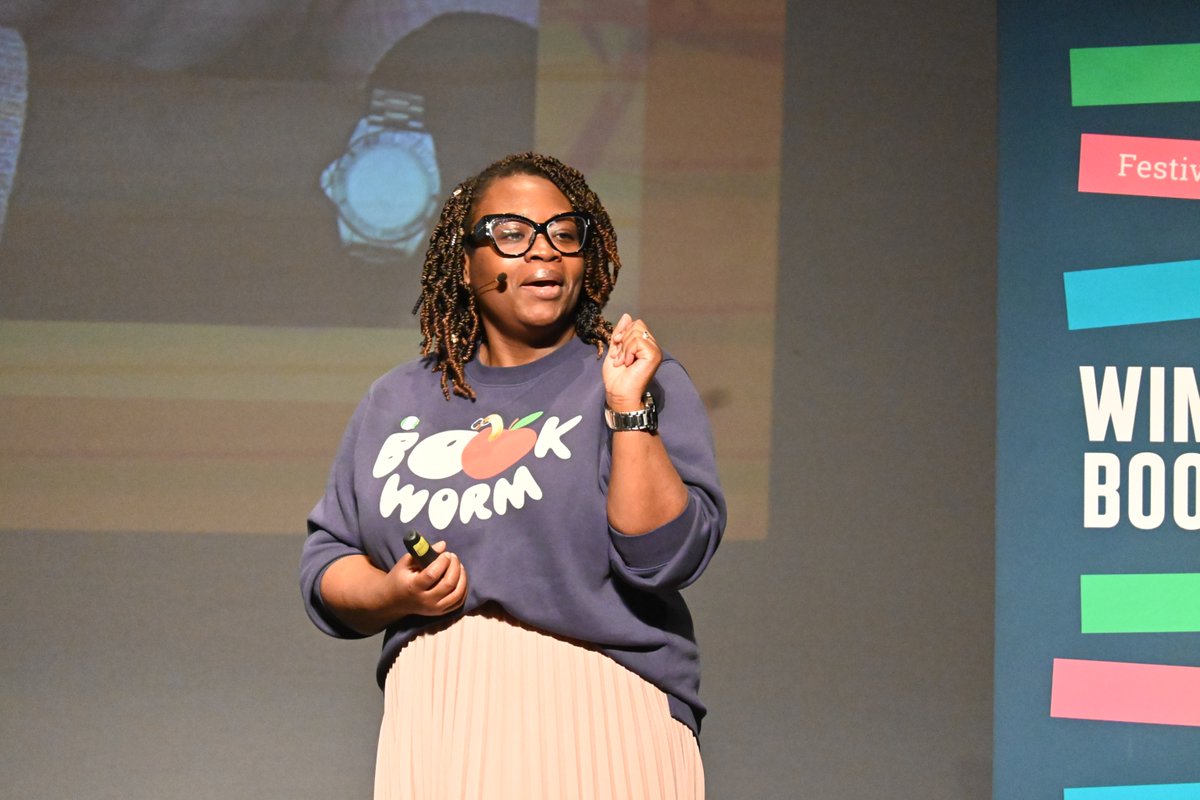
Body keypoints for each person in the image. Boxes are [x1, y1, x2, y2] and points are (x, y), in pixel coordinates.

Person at [300, 152, 726, 799]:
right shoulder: (397, 400)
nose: (544, 254)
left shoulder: (636, 378)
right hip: (436, 721)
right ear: (465, 262)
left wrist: (627, 407)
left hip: (603, 713)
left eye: (564, 233)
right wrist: (395, 593)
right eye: (511, 234)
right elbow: (327, 564)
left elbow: (662, 557)